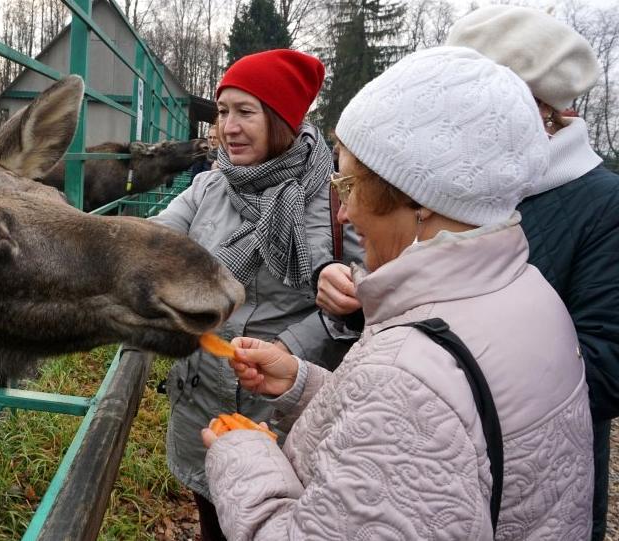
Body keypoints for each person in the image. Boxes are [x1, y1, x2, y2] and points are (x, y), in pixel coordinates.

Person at [202, 47, 594, 539]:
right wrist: (303, 383)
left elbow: (410, 407)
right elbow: (435, 429)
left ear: (415, 194)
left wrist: (244, 457)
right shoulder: (527, 292)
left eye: (348, 185)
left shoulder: (407, 373)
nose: (344, 215)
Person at [317, 8, 619, 539]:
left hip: (528, 477)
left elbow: (608, 360)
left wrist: (433, 398)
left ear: (548, 113)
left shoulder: (600, 203)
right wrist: (363, 302)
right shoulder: (427, 180)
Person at [149, 48, 360, 540]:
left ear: (282, 119)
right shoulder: (207, 187)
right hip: (203, 395)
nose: (228, 127)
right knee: (213, 514)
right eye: (223, 113)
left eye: (246, 112)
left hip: (285, 404)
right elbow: (154, 243)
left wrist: (291, 347)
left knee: (278, 519)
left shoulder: (333, 199)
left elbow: (366, 291)